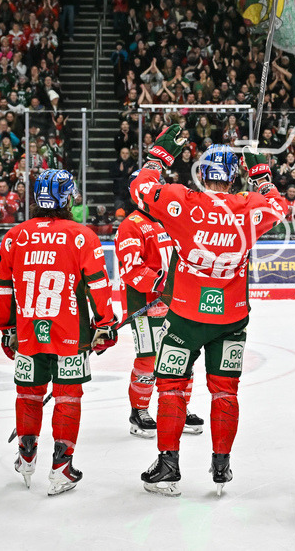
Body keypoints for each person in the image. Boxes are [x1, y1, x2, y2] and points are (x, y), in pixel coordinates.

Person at [130, 125, 288, 496]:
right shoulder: (249, 206)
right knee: (225, 390)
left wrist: (158, 157)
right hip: (231, 318)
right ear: (234, 178)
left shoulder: (183, 199)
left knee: (170, 386)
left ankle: (169, 464)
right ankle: (221, 464)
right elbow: (280, 206)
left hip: (185, 316)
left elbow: (140, 187)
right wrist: (262, 176)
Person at [0, 169, 116, 495]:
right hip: (71, 334)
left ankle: (26, 455)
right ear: (68, 198)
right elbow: (98, 285)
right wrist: (105, 324)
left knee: (28, 395)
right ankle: (62, 467)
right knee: (67, 396)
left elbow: (4, 290)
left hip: (28, 332)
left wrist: (6, 329)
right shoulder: (81, 236)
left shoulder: (15, 236)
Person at [116, 171, 203, 438]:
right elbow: (131, 268)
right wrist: (159, 285)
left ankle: (180, 407)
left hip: (177, 303)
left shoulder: (169, 219)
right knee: (148, 359)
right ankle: (139, 409)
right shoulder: (131, 224)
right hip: (146, 304)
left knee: (182, 356)